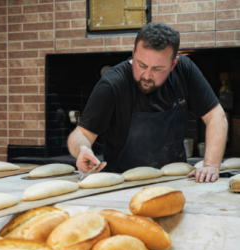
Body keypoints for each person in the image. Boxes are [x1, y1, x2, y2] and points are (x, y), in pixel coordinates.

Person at [67, 23, 228, 183]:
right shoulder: (112, 85)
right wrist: (83, 149)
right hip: (122, 184)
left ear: (173, 64)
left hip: (176, 181)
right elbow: (81, 134)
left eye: (158, 69)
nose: (146, 75)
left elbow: (216, 116)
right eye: (141, 65)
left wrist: (211, 165)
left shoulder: (184, 71)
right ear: (133, 52)